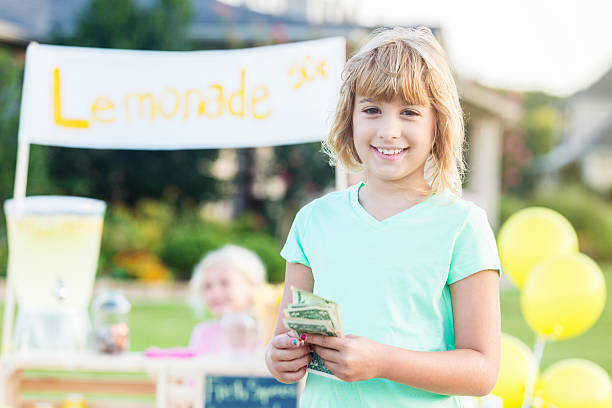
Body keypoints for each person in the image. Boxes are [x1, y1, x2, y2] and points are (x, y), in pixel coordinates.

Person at [265, 26, 502, 407]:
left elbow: (482, 371)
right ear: (350, 118)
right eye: (372, 110)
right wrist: (280, 358)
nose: (389, 131)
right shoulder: (314, 220)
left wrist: (383, 362)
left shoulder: (463, 226)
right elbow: (287, 341)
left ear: (437, 125)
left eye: (409, 113)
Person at [188, 244, 266, 354]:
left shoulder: (267, 331)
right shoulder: (203, 333)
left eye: (225, 283)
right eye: (207, 286)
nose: (215, 292)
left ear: (252, 285)